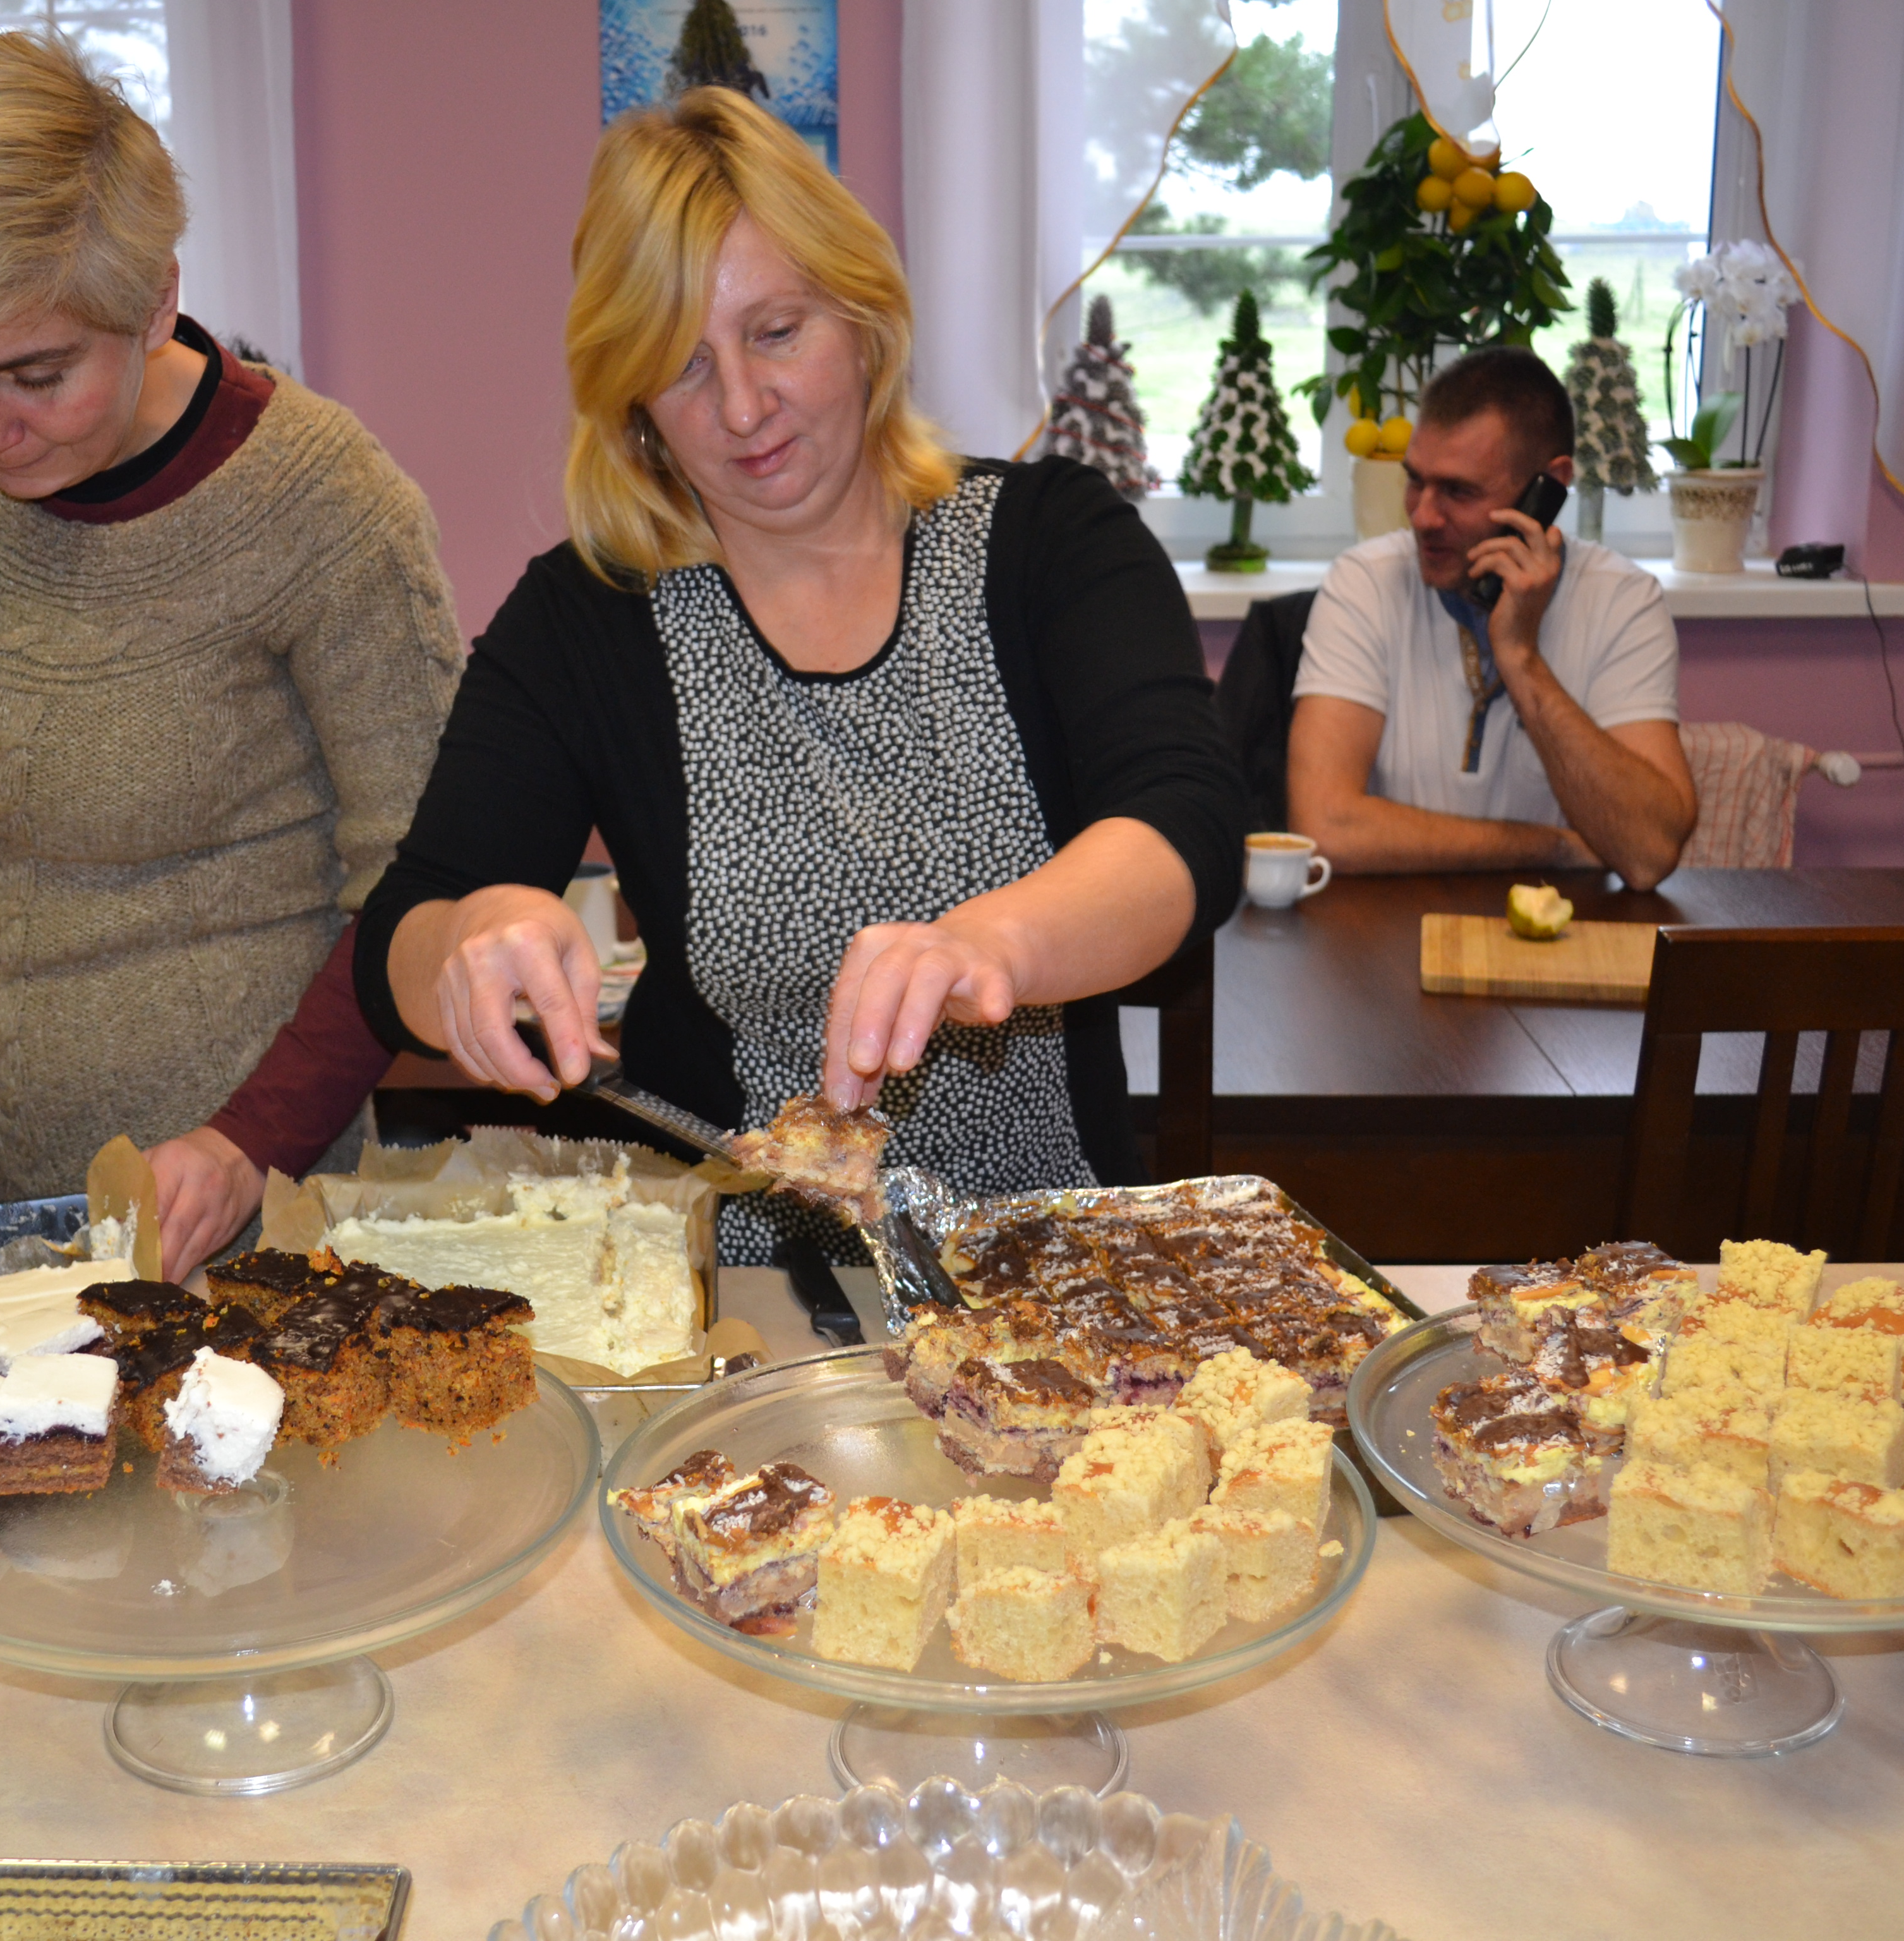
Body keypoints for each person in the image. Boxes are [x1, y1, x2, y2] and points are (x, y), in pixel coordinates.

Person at [351, 89, 1247, 1265]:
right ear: (633, 408)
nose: (740, 407)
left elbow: (1185, 824)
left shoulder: (1050, 542)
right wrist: (470, 936)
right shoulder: (589, 619)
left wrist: (994, 945)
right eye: (682, 367)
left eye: (775, 333)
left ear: (863, 318)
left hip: (1048, 1258)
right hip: (739, 1293)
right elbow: (398, 940)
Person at [0, 24, 462, 1277]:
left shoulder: (326, 509)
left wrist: (248, 1143)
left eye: (35, 376)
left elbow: (415, 884)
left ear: (153, 300)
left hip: (225, 1220)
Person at [1287, 348, 1696, 886]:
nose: (1423, 517)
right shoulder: (1366, 581)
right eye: (1416, 481)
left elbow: (1649, 854)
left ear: (1549, 486)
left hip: (1555, 928)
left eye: (1459, 491)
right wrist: (1555, 847)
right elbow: (1325, 829)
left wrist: (1520, 656)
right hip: (1386, 926)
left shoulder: (1621, 600)